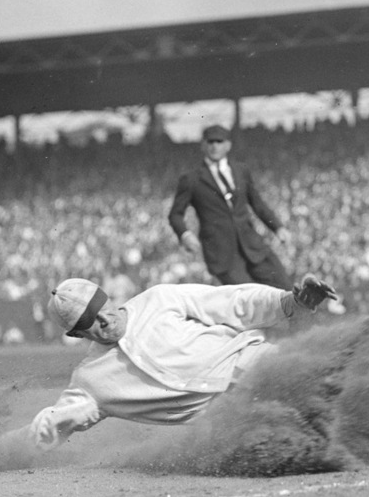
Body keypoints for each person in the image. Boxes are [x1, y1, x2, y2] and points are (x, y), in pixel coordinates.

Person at [19, 273, 337, 452]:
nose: (103, 318)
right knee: (296, 441)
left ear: (109, 295)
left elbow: (233, 303)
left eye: (101, 304)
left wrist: (290, 302)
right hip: (234, 418)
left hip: (255, 361)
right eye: (89, 319)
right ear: (76, 333)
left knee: (324, 378)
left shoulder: (158, 299)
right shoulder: (91, 381)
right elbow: (53, 424)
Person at [168, 124, 294, 289]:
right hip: (222, 255)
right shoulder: (191, 179)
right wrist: (185, 235)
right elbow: (175, 214)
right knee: (247, 299)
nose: (214, 146)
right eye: (210, 142)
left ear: (228, 145)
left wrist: (278, 228)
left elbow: (257, 203)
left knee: (284, 289)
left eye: (219, 141)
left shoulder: (241, 171)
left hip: (252, 245)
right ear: (203, 145)